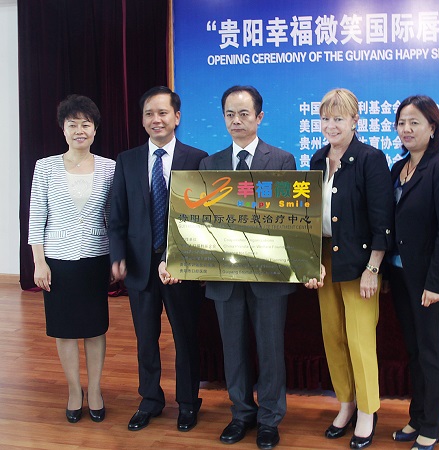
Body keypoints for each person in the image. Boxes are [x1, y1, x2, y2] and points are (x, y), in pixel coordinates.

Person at [161, 85, 296, 449]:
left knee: (270, 349)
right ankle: (241, 414)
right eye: (230, 114)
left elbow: (290, 220)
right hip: (225, 274)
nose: (237, 121)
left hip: (269, 274)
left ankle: (269, 419)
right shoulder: (210, 164)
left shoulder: (281, 160)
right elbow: (197, 221)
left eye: (244, 114)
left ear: (259, 117)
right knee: (232, 348)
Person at [108, 86, 208, 432]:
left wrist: (178, 257)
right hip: (140, 266)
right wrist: (117, 256)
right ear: (142, 120)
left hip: (181, 266)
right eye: (149, 113)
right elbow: (117, 216)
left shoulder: (197, 159)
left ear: (176, 117)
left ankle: (188, 403)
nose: (156, 119)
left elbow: (201, 218)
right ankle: (150, 399)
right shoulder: (128, 160)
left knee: (185, 337)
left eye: (163, 113)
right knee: (146, 339)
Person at [305, 88, 394, 449]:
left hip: (360, 264)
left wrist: (373, 268)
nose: (331, 125)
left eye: (339, 118)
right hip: (325, 260)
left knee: (360, 339)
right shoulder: (317, 158)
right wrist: (310, 260)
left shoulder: (371, 158)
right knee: (333, 336)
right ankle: (346, 403)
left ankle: (368, 411)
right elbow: (309, 216)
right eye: (325, 118)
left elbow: (382, 219)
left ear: (355, 120)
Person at [28, 94, 115, 423]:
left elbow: (114, 217)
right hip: (57, 260)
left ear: (95, 130)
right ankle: (74, 390)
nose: (80, 130)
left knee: (94, 328)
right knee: (64, 329)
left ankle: (95, 390)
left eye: (86, 124)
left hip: (95, 257)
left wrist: (115, 258)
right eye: (72, 124)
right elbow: (37, 217)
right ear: (63, 129)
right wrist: (39, 262)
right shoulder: (45, 167)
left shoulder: (109, 167)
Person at [387, 95, 439, 450]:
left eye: (414, 122)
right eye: (402, 122)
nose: (407, 129)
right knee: (414, 351)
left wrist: (436, 282)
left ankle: (433, 423)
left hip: (429, 279)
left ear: (432, 128)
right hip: (400, 276)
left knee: (431, 352)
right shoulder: (397, 168)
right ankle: (417, 418)